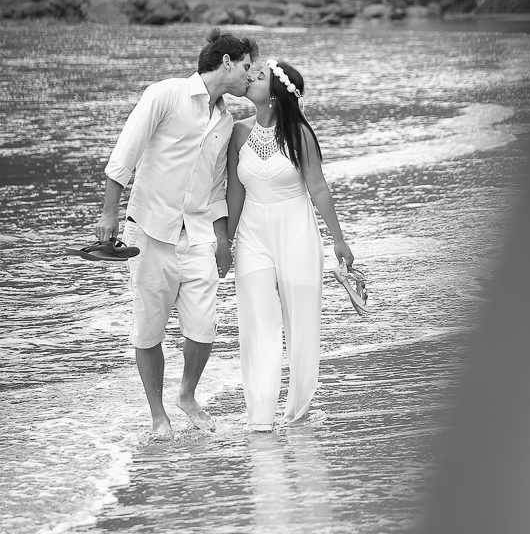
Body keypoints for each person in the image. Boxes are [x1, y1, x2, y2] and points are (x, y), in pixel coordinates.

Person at [95, 28, 260, 439]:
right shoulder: (165, 94)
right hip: (149, 231)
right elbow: (126, 152)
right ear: (226, 62)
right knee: (149, 327)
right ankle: (158, 416)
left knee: (204, 326)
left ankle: (186, 393)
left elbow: (218, 184)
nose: (249, 76)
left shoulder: (226, 118)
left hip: (200, 234)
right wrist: (109, 212)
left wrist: (224, 240)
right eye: (246, 67)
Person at [227, 58, 354, 432]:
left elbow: (317, 187)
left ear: (276, 95)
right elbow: (236, 191)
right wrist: (225, 241)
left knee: (301, 322)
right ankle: (261, 415)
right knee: (257, 323)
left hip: (297, 230)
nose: (250, 77)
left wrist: (339, 240)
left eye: (259, 76)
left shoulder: (300, 134)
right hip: (253, 233)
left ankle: (296, 408)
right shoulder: (238, 132)